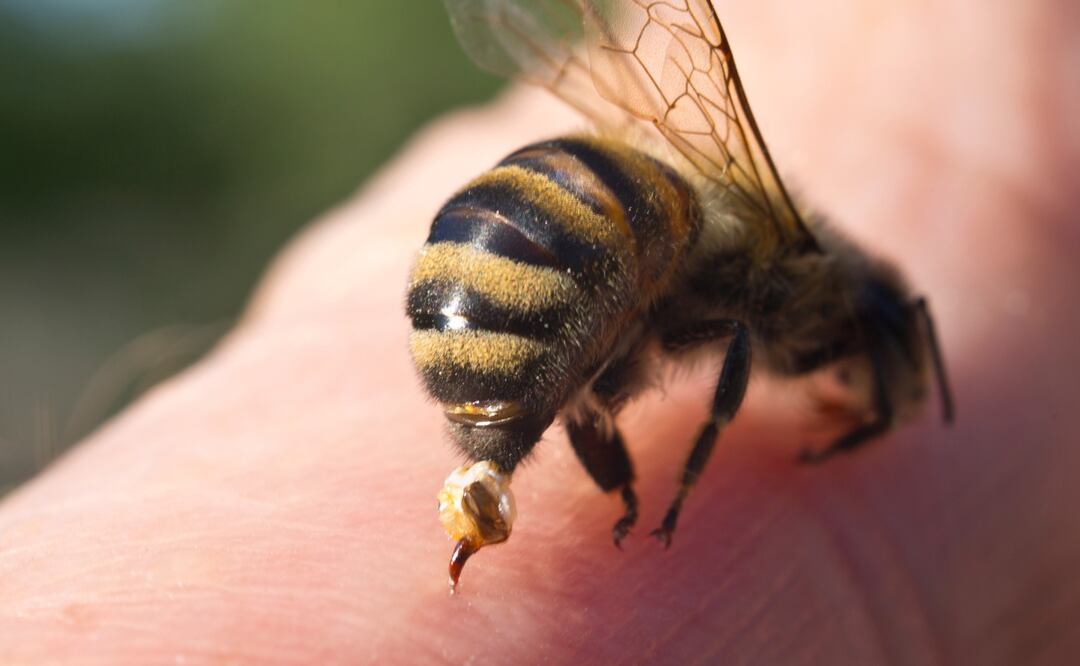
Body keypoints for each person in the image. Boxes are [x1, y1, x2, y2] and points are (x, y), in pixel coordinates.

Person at [1, 2, 1078, 661]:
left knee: (616, 308)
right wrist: (688, 486)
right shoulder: (776, 277)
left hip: (503, 242)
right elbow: (715, 340)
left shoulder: (698, 252)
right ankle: (529, 463)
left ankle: (503, 464)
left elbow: (624, 336)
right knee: (644, 306)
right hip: (561, 240)